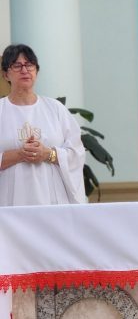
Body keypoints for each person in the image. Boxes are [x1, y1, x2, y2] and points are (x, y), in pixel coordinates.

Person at [0, 44, 86, 206]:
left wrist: (48, 154)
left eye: (29, 65)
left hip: (53, 201)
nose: (24, 70)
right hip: (8, 203)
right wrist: (19, 154)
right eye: (17, 65)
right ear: (5, 74)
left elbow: (76, 154)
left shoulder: (55, 109)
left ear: (36, 72)